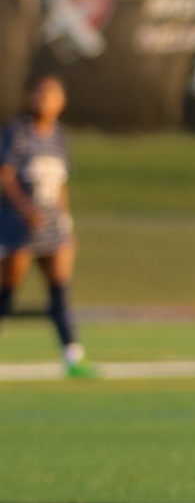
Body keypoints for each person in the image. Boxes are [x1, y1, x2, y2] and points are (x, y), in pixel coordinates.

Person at [0, 74, 94, 379]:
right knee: (8, 289)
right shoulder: (18, 132)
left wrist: (66, 222)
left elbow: (60, 183)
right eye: (40, 94)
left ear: (61, 101)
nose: (45, 100)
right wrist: (26, 209)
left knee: (60, 290)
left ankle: (73, 355)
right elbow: (6, 175)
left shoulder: (59, 136)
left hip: (52, 226)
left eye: (52, 95)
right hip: (20, 225)